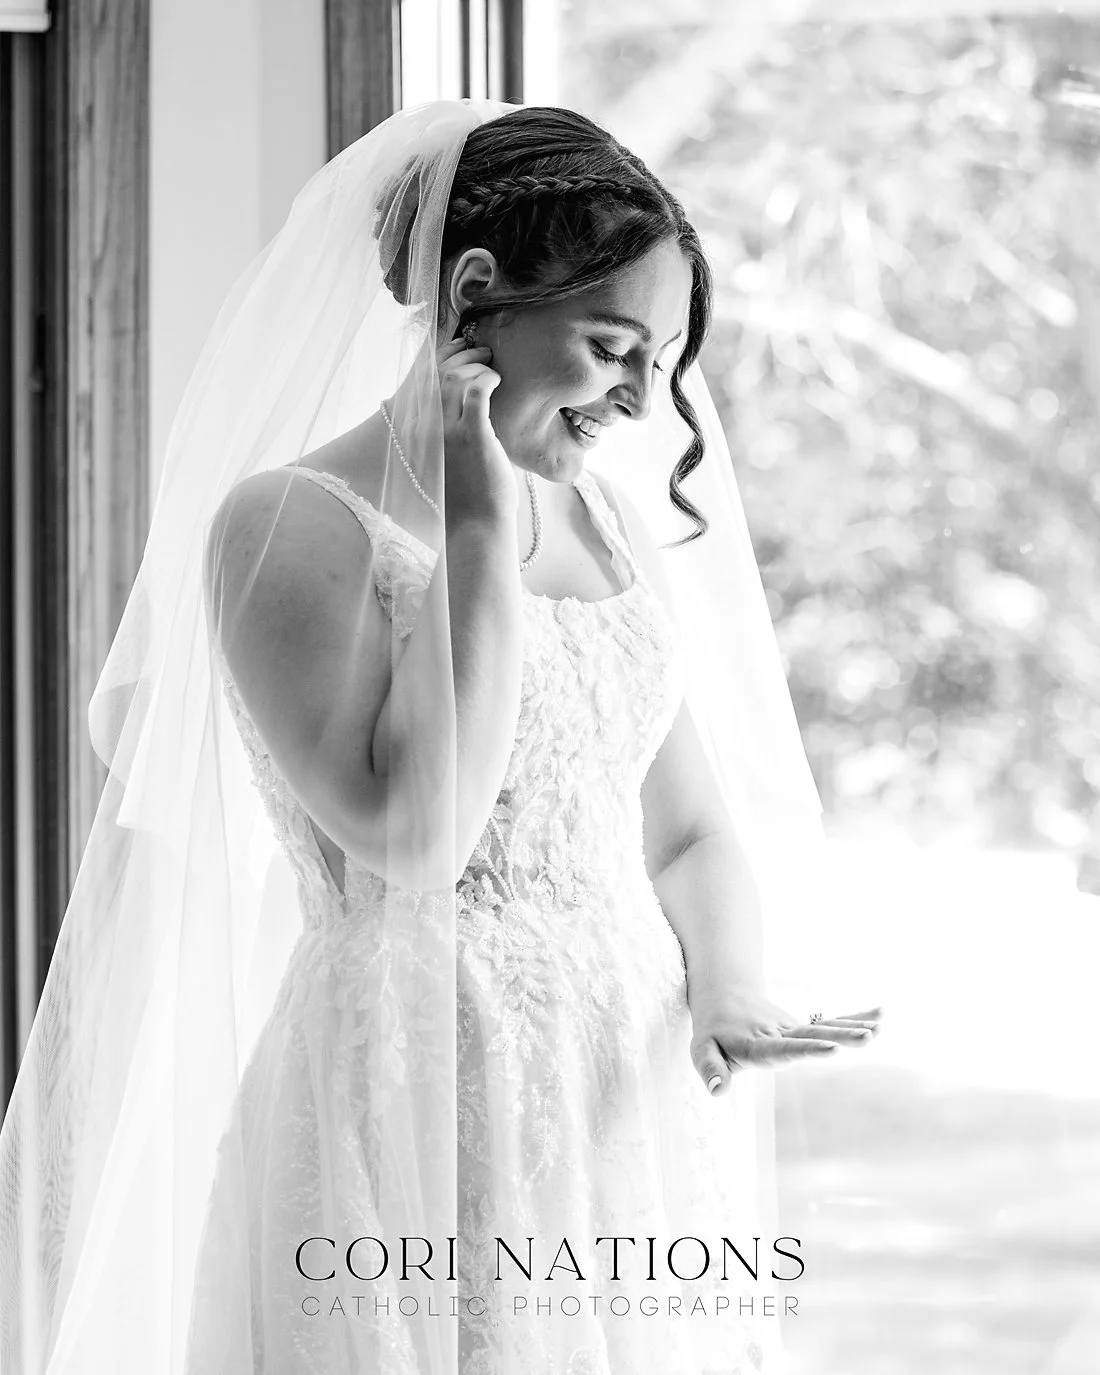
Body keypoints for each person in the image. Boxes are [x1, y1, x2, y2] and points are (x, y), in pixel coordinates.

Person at [0, 99, 879, 1375]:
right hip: (413, 1077)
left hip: (606, 1081)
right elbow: (414, 838)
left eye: (660, 359)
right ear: (473, 293)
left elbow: (684, 828)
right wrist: (474, 535)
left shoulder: (605, 527)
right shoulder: (290, 523)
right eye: (609, 344)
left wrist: (728, 987)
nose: (641, 397)